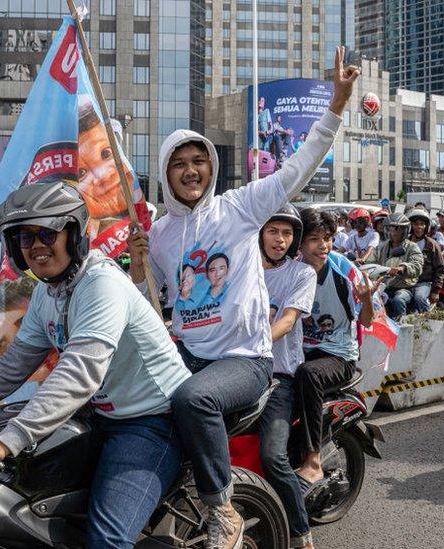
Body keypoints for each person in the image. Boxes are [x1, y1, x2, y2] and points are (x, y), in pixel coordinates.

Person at [126, 46, 359, 549]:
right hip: (187, 352)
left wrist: (337, 105)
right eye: (180, 164)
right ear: (166, 174)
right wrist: (138, 266)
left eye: (200, 161)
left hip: (245, 360)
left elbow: (297, 168)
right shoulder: (162, 234)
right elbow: (153, 309)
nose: (191, 171)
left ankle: (221, 508)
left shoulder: (240, 208)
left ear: (211, 168)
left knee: (193, 398)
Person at [0, 182, 190, 548]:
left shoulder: (101, 284)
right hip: (99, 415)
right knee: (23, 497)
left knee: (106, 539)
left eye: (48, 233)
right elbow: (11, 368)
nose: (37, 246)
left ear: (73, 235)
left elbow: (79, 372)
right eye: (24, 238)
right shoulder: (47, 291)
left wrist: (8, 441)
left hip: (151, 421)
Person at [296, 208, 374, 493]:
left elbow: (366, 321)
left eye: (327, 238)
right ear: (300, 244)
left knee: (308, 375)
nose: (323, 246)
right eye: (314, 239)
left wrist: (367, 301)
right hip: (299, 350)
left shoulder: (344, 270)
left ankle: (313, 460)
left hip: (337, 355)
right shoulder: (291, 268)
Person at [258, 204, 317, 549]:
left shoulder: (301, 274)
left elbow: (289, 319)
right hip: (237, 370)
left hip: (279, 378)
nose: (280, 239)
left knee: (272, 456)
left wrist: (256, 344)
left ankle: (300, 533)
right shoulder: (242, 269)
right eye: (272, 231)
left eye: (287, 233)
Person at [369, 213, 423, 319]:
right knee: (370, 300)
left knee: (398, 300)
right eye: (390, 229)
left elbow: (417, 266)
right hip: (383, 287)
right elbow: (371, 262)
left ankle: (402, 326)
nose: (393, 232)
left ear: (405, 230)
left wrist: (402, 268)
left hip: (404, 288)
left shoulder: (412, 247)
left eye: (397, 229)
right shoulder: (381, 247)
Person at [407, 208, 444, 312]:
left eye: (422, 224)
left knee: (419, 298)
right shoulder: (405, 243)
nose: (419, 227)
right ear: (411, 226)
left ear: (426, 226)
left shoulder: (432, 245)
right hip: (406, 282)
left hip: (424, 282)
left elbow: (440, 269)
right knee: (396, 300)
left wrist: (436, 291)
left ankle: (428, 321)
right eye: (415, 224)